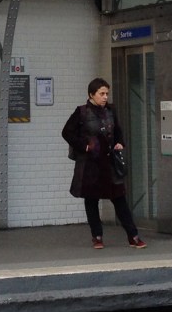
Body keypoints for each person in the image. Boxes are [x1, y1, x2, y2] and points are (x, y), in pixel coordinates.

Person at [61, 77, 146, 250]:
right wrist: (84, 146)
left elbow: (118, 131)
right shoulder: (82, 112)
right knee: (91, 200)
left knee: (120, 199)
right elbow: (67, 132)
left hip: (109, 163)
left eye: (107, 93)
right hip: (90, 164)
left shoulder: (111, 110)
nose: (105, 97)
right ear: (91, 95)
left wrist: (120, 142)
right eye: (102, 93)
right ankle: (97, 236)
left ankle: (133, 236)